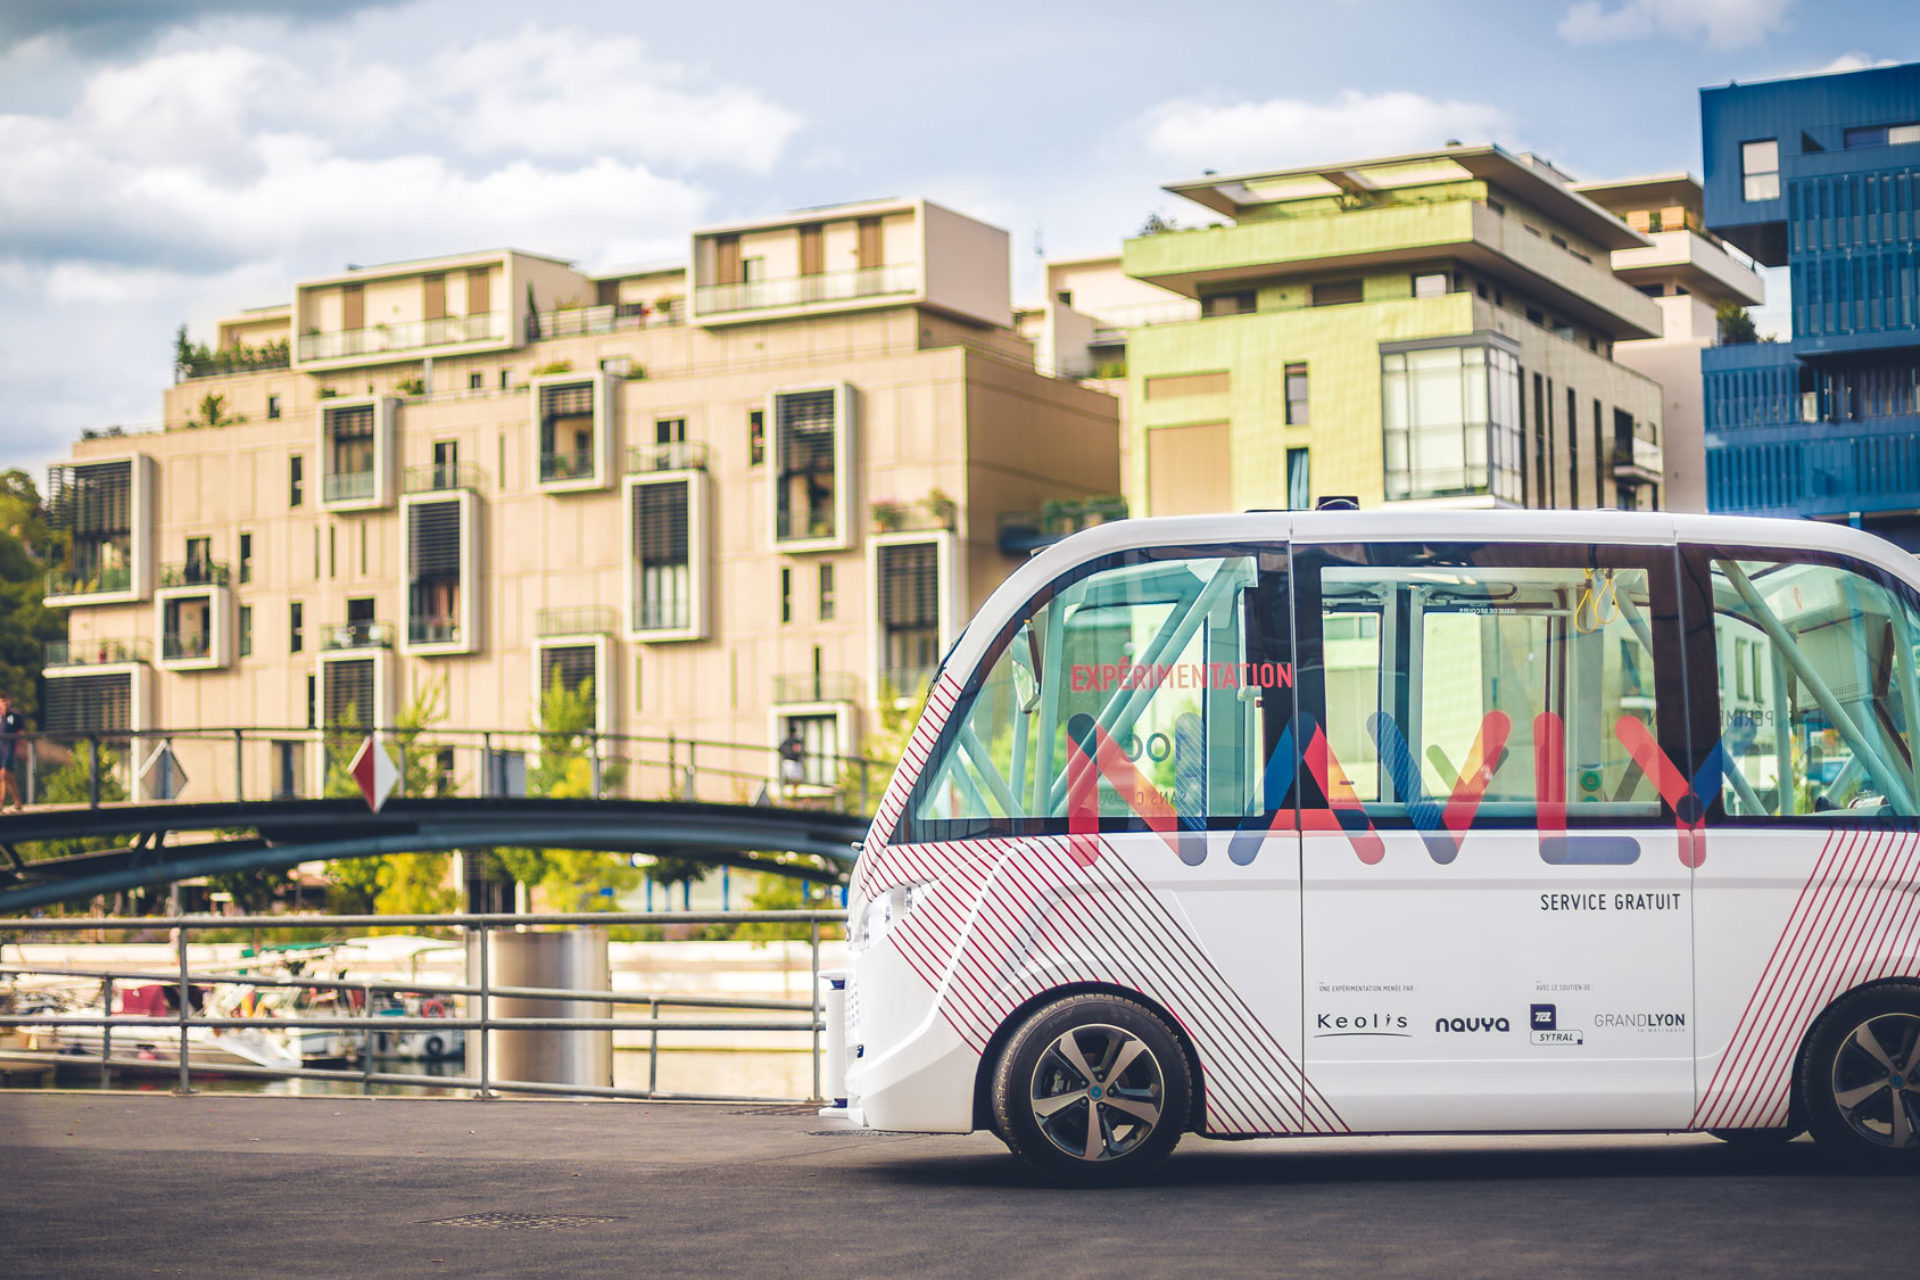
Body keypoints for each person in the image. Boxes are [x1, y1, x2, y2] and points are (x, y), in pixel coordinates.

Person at [0, 693, 24, 811]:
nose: (4, 704)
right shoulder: (1, 716)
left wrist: (24, 750)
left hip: (10, 748)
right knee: (9, 778)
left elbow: (21, 734)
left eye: (6, 701)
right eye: (2, 701)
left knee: (4, 774)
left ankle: (0, 803)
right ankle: (18, 802)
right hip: (1, 749)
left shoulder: (14, 716)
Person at [778, 724, 807, 800]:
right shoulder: (793, 741)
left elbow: (780, 749)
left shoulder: (787, 741)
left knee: (794, 779)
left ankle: (790, 794)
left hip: (789, 762)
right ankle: (790, 794)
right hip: (792, 762)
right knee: (794, 779)